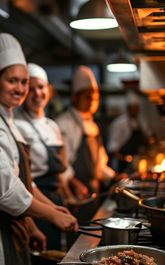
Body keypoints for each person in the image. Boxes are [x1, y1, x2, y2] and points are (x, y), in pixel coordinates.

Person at [0, 33, 78, 265]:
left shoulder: (7, 119)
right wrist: (51, 215)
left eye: (23, 81)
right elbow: (5, 191)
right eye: (12, 81)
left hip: (16, 225)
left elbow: (24, 181)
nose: (20, 88)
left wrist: (42, 215)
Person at [14, 63, 70, 251]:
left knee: (61, 252)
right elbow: (22, 180)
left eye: (41, 87)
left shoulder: (52, 125)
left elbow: (61, 169)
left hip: (56, 198)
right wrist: (32, 222)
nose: (37, 93)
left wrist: (67, 194)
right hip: (35, 201)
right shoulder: (17, 125)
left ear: (49, 90)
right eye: (31, 88)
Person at [54, 66, 117, 217]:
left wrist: (114, 176)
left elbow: (99, 164)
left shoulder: (92, 125)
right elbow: (60, 164)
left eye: (95, 98)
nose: (92, 102)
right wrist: (73, 182)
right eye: (87, 97)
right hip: (73, 193)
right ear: (74, 97)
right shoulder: (63, 123)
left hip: (93, 191)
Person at [107, 91, 154, 173]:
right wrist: (121, 157)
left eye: (136, 108)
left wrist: (151, 142)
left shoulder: (141, 121)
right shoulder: (119, 123)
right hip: (122, 163)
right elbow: (113, 146)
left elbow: (149, 136)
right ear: (128, 108)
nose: (135, 111)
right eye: (132, 108)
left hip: (138, 162)